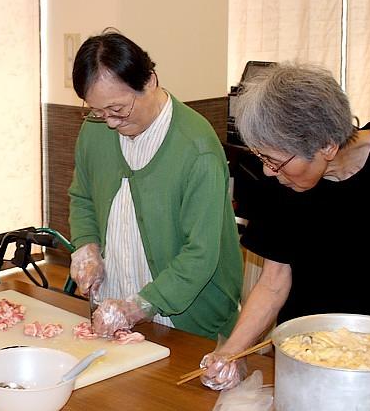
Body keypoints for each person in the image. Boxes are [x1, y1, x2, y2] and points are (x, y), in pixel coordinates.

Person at [200, 63, 370, 399]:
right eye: (261, 157)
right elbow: (272, 283)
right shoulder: (280, 181)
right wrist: (229, 353)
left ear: (326, 145)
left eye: (276, 161)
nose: (268, 172)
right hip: (311, 357)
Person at [68, 30, 243, 339]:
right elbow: (82, 196)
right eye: (97, 111)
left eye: (118, 109)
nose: (109, 122)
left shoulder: (196, 147)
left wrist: (139, 307)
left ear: (149, 80)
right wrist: (87, 246)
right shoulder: (94, 131)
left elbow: (200, 254)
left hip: (186, 319)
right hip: (115, 307)